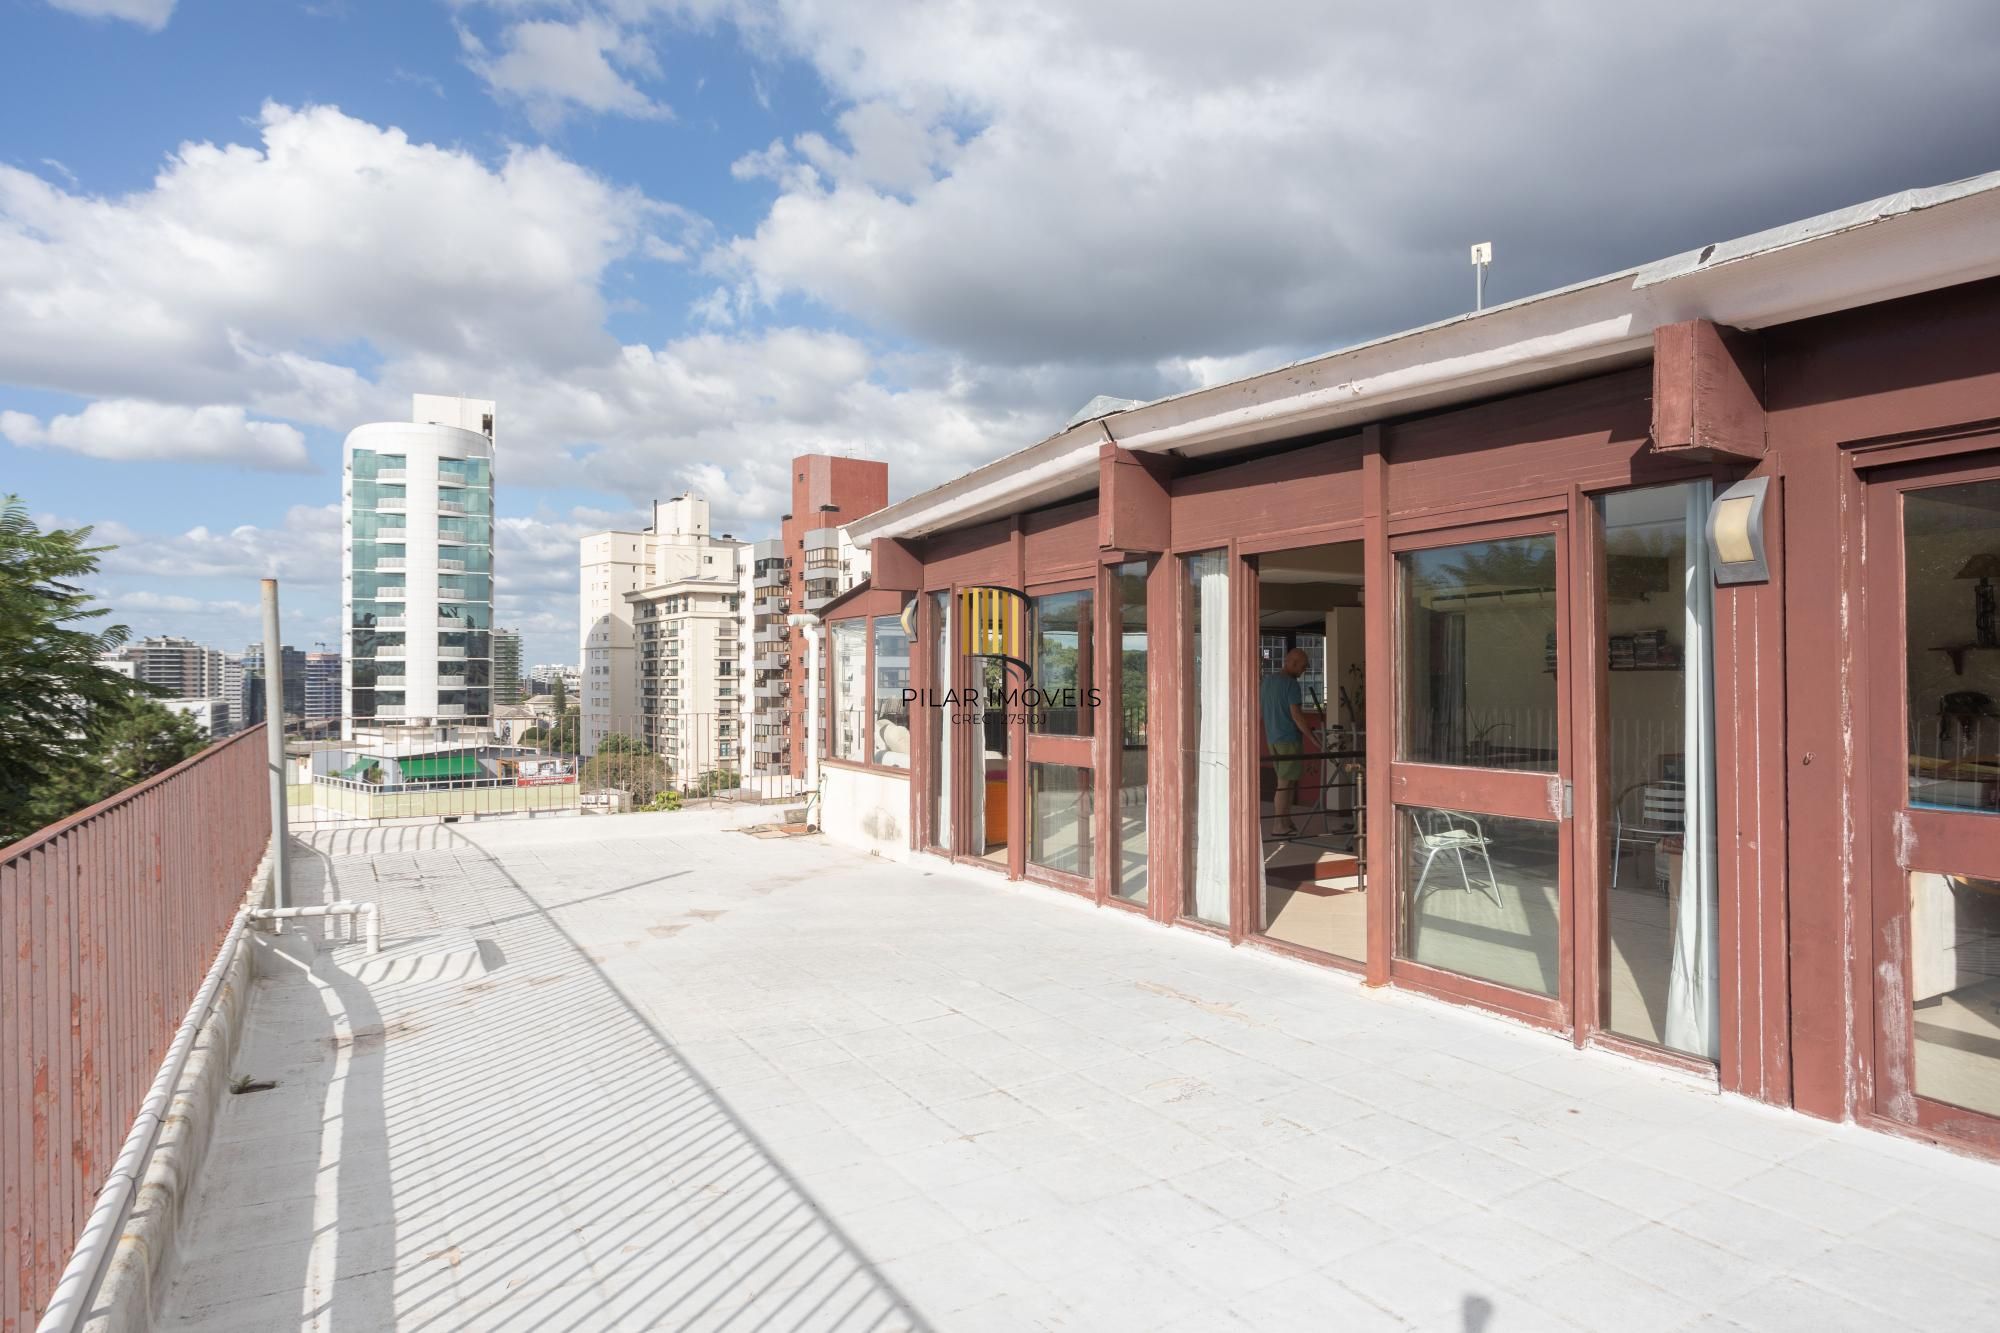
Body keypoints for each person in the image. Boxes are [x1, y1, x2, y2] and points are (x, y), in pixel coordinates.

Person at [1260, 648, 1316, 837]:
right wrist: (1313, 739)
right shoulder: (1291, 685)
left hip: (1272, 738)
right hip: (1288, 739)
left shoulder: (1267, 682)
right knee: (1284, 784)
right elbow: (1297, 716)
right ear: (1292, 663)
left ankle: (1286, 820)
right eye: (1303, 666)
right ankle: (1278, 825)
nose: (1304, 670)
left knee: (1287, 782)